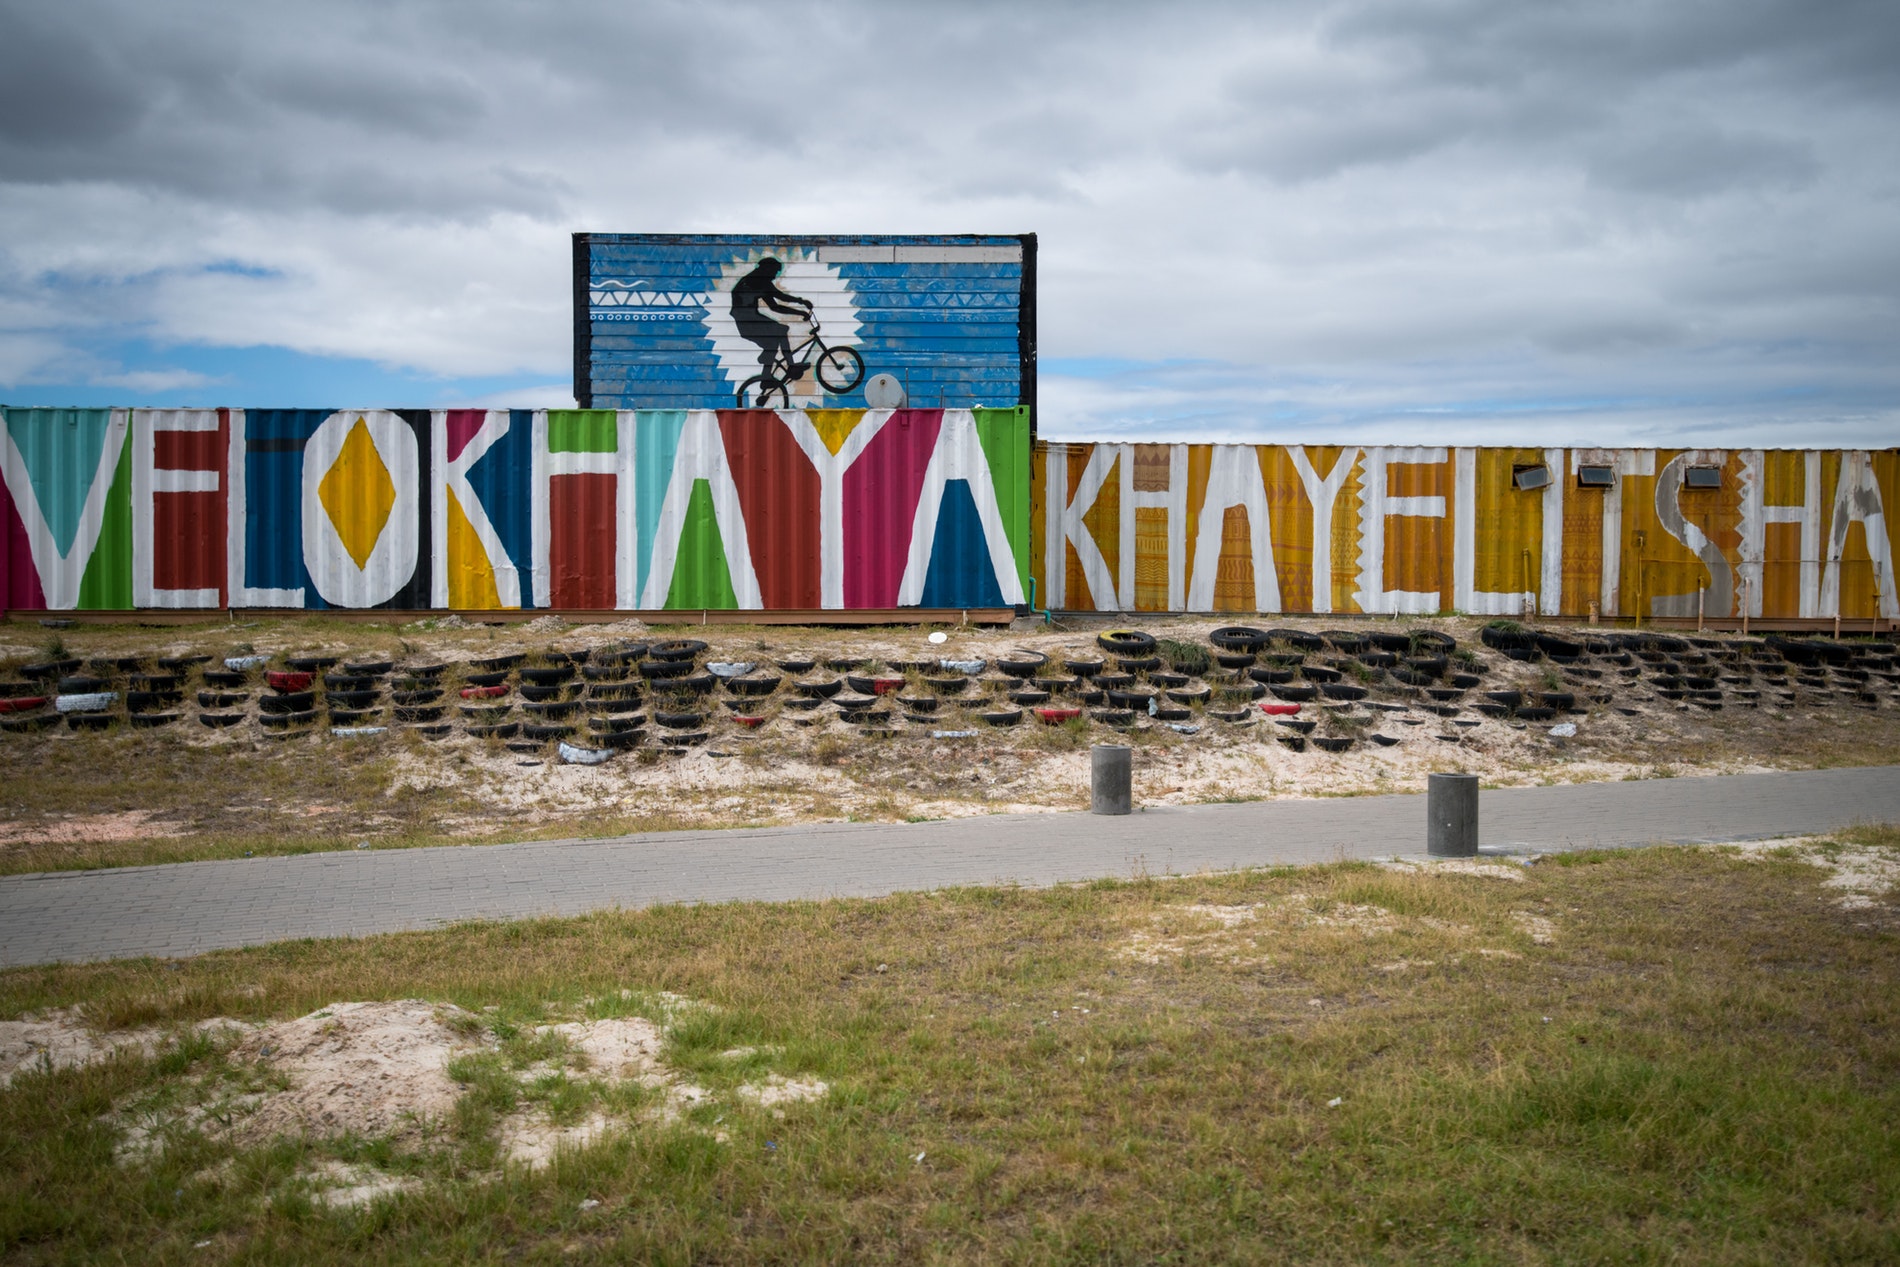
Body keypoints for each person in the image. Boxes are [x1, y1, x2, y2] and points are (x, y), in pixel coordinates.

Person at [729, 257, 814, 385]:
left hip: (747, 321)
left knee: (772, 343)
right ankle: (790, 366)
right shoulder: (759, 281)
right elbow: (780, 297)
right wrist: (801, 303)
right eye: (774, 271)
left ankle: (766, 378)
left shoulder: (756, 280)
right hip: (747, 320)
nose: (775, 275)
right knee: (781, 330)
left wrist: (800, 311)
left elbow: (776, 307)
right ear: (766, 268)